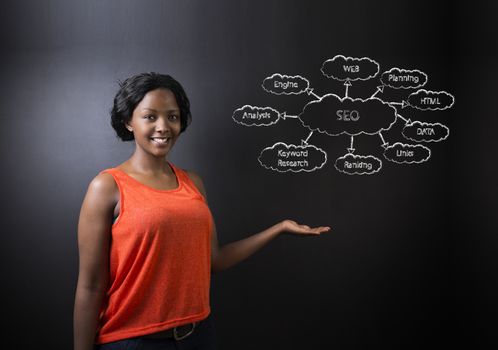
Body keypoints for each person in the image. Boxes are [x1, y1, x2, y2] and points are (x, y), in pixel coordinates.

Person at [73, 72, 331, 350]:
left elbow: (214, 260)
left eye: (172, 116)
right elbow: (90, 287)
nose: (163, 126)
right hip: (132, 342)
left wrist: (278, 228)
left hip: (197, 337)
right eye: (150, 117)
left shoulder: (193, 183)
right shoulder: (107, 186)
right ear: (128, 122)